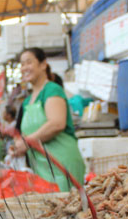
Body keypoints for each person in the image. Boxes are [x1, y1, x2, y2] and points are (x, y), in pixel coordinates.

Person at [12, 47, 85, 191]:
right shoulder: (27, 102)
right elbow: (27, 134)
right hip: (41, 167)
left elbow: (57, 124)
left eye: (29, 62)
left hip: (62, 164)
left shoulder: (52, 90)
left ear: (43, 64)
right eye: (22, 64)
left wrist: (27, 142)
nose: (24, 68)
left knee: (67, 207)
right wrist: (18, 146)